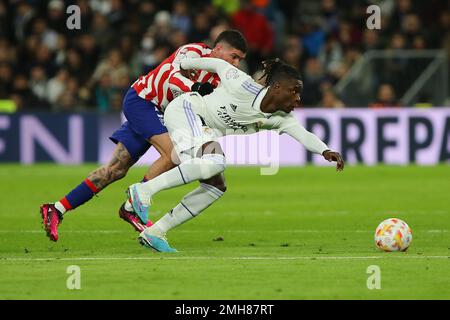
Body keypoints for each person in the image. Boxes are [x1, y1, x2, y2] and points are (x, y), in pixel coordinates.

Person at [40, 30, 248, 242]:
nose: (237, 64)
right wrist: (194, 87)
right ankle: (133, 203)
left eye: (240, 59)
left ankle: (56, 209)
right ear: (219, 49)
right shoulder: (193, 51)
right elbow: (171, 74)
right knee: (174, 154)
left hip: (164, 114)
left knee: (115, 170)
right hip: (143, 101)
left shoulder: (219, 82)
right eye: (234, 57)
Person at [125, 57, 344, 252]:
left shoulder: (280, 118)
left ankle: (156, 231)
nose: (297, 98)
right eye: (294, 91)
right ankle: (143, 190)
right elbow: (219, 64)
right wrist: (185, 63)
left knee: (215, 187)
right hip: (186, 110)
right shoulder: (243, 85)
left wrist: (325, 150)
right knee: (215, 161)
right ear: (277, 87)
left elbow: (303, 134)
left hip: (203, 129)